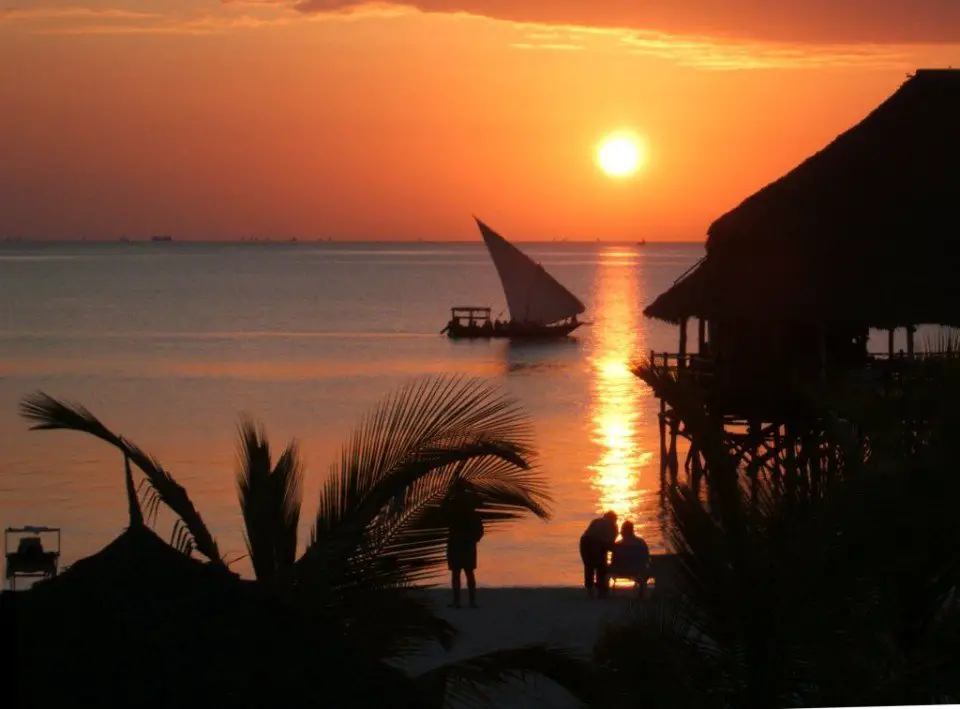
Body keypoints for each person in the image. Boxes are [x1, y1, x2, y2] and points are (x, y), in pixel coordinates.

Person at [446, 484, 484, 609]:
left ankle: (459, 601)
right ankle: (470, 602)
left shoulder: (454, 505)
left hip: (459, 542)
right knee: (467, 572)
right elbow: (479, 530)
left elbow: (443, 509)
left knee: (459, 572)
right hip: (464, 542)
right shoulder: (468, 506)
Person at [579, 510, 618, 598]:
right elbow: (610, 544)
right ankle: (601, 591)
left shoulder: (596, 521)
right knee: (601, 567)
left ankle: (590, 591)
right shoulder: (613, 525)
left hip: (584, 541)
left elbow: (589, 534)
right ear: (614, 519)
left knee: (589, 566)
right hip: (596, 543)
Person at [610, 521, 650, 594]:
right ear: (632, 531)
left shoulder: (618, 545)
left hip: (620, 571)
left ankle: (604, 593)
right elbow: (646, 559)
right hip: (637, 570)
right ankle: (641, 589)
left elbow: (613, 562)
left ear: (623, 531)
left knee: (603, 568)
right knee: (644, 570)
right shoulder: (641, 543)